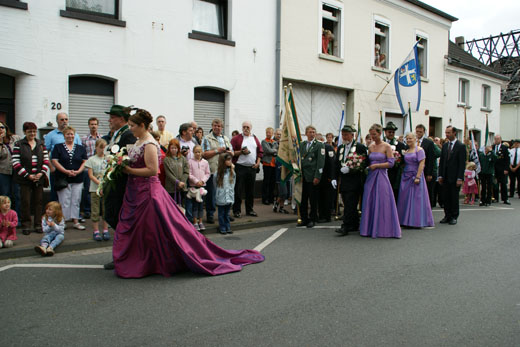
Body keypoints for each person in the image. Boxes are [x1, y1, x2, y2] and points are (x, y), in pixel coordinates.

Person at [110, 109, 264, 278]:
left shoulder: (149, 143)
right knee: (141, 228)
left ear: (142, 126)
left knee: (152, 228)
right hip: (134, 192)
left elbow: (152, 170)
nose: (130, 128)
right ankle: (140, 258)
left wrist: (128, 169)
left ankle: (152, 260)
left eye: (132, 125)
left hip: (147, 192)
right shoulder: (139, 141)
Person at [360, 124, 401, 238]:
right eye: (371, 134)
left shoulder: (386, 146)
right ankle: (368, 227)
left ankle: (383, 228)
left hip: (382, 176)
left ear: (380, 133)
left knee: (382, 200)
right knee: (369, 199)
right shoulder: (370, 147)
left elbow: (391, 163)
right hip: (371, 176)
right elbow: (368, 161)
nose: (373, 137)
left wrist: (377, 165)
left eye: (375, 134)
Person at [103, 104, 137, 231]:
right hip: (114, 183)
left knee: (116, 217)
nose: (109, 120)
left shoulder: (127, 135)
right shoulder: (117, 134)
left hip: (120, 185)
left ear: (121, 119)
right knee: (112, 216)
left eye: (112, 117)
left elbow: (131, 159)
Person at [12, 122, 50, 234]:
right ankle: (26, 225)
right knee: (25, 202)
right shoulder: (19, 144)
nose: (32, 133)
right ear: (24, 132)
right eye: (29, 131)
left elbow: (46, 160)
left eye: (34, 131)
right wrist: (27, 175)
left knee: (38, 202)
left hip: (39, 178)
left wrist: (41, 173)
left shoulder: (41, 144)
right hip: (25, 179)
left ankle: (38, 225)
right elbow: (15, 162)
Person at [332, 125, 367, 235]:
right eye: (343, 134)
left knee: (350, 204)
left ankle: (345, 226)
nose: (344, 137)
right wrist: (334, 178)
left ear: (352, 135)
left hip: (355, 181)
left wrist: (351, 170)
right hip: (344, 181)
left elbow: (364, 163)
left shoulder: (360, 147)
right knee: (348, 203)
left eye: (346, 134)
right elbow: (336, 164)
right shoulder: (341, 148)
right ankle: (355, 224)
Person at [51, 126, 87, 230]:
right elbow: (55, 161)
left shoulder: (80, 148)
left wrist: (79, 171)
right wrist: (66, 171)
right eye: (68, 134)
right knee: (64, 200)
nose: (70, 136)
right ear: (64, 135)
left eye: (72, 134)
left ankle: (76, 221)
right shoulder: (58, 147)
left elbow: (84, 161)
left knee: (76, 199)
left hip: (78, 177)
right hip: (63, 177)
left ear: (74, 135)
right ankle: (63, 221)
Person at [397, 132, 434, 228]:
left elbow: (422, 163)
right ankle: (405, 220)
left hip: (415, 175)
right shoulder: (407, 150)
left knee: (416, 199)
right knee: (405, 198)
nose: (408, 140)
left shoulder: (419, 150)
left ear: (415, 139)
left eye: (410, 138)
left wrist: (418, 176)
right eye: (407, 138)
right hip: (406, 176)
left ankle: (416, 221)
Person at [202, 119, 233, 224]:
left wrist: (229, 152)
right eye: (215, 125)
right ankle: (210, 214)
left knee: (225, 192)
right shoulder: (207, 138)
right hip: (212, 170)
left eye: (219, 126)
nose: (217, 127)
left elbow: (232, 153)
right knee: (211, 194)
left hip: (225, 172)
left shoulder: (226, 138)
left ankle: (226, 214)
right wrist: (217, 151)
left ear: (222, 127)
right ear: (212, 126)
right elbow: (204, 154)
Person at [44, 112, 82, 201]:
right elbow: (45, 153)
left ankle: (69, 215)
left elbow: (79, 152)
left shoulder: (75, 135)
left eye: (66, 119)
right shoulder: (50, 135)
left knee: (71, 197)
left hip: (72, 171)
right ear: (57, 121)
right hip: (57, 170)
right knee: (55, 195)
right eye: (61, 120)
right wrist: (51, 167)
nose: (64, 121)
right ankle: (55, 215)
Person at [231, 121, 263, 218]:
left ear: (251, 128)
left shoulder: (255, 138)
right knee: (238, 190)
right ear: (242, 128)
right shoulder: (236, 138)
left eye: (247, 127)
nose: (246, 128)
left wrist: (258, 163)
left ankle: (250, 210)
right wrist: (241, 152)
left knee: (250, 190)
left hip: (252, 168)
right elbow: (231, 152)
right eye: (244, 127)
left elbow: (260, 152)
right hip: (240, 167)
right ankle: (236, 210)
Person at [438, 126, 466, 225]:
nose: (447, 134)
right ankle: (447, 215)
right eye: (446, 132)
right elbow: (442, 162)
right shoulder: (445, 145)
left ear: (454, 133)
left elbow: (462, 164)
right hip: (445, 176)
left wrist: (460, 178)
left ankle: (454, 216)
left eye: (449, 132)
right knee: (445, 197)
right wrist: (440, 175)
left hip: (454, 177)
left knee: (454, 197)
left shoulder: (461, 146)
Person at [298, 125, 325, 228]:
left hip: (312, 175)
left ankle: (312, 218)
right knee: (303, 199)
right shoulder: (302, 144)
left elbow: (320, 162)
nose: (312, 134)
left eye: (313, 132)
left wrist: (317, 176)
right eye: (310, 132)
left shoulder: (319, 145)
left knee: (313, 199)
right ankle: (304, 218)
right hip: (303, 176)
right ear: (306, 133)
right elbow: (299, 158)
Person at [85, 139, 110, 241]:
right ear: (96, 148)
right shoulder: (91, 159)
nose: (102, 150)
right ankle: (95, 231)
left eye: (104, 147)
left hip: (105, 188)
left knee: (105, 209)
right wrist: (99, 183)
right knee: (95, 209)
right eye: (100, 147)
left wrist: (105, 184)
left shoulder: (108, 159)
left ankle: (105, 229)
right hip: (95, 189)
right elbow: (90, 175)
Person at [80, 117, 101, 220]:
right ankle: (88, 210)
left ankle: (98, 210)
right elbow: (81, 154)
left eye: (95, 124)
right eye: (91, 124)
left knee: (99, 188)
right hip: (88, 168)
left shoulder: (101, 139)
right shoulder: (84, 139)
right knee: (88, 189)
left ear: (97, 125)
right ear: (88, 125)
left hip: (99, 168)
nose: (93, 126)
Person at [187, 145, 210, 231]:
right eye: (196, 152)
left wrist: (203, 181)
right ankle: (195, 221)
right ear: (193, 152)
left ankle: (200, 221)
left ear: (202, 152)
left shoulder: (205, 162)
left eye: (199, 152)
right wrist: (196, 181)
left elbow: (207, 173)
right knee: (194, 205)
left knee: (201, 205)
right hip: (193, 186)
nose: (197, 153)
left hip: (202, 187)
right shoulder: (190, 162)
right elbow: (189, 173)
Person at [383, 121, 407, 200]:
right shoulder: (381, 143)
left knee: (394, 194)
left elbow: (403, 159)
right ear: (385, 132)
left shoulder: (400, 145)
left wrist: (396, 161)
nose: (391, 134)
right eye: (389, 132)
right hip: (382, 172)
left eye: (393, 132)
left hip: (395, 173)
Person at [415, 124, 437, 208]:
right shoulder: (412, 141)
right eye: (417, 131)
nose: (418, 133)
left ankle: (428, 209)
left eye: (420, 132)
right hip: (414, 170)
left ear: (424, 132)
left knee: (427, 191)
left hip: (425, 170)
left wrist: (429, 173)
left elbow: (431, 159)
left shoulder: (429, 143)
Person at [163, 139, 189, 206]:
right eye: (172, 148)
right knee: (171, 206)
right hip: (171, 188)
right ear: (169, 148)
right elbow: (168, 173)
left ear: (178, 148)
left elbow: (186, 171)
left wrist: (182, 182)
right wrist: (177, 182)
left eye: (175, 148)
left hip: (181, 187)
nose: (174, 150)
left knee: (181, 206)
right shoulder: (166, 159)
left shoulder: (183, 159)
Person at [215, 153, 236, 235]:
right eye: (227, 160)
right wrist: (219, 193)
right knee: (221, 214)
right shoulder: (218, 173)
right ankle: (222, 227)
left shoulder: (232, 172)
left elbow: (233, 184)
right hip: (221, 196)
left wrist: (232, 169)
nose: (230, 161)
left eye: (230, 160)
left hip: (229, 196)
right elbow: (215, 184)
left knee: (227, 214)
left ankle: (228, 227)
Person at [317, 133, 335, 223]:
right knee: (320, 198)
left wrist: (331, 177)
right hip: (319, 177)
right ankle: (321, 215)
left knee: (327, 198)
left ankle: (327, 216)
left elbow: (332, 163)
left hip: (326, 177)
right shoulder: (316, 148)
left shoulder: (328, 148)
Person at [261, 127, 278, 205]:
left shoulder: (274, 142)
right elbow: (267, 150)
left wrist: (273, 151)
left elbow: (276, 151)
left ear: (272, 133)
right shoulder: (264, 141)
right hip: (267, 164)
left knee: (272, 182)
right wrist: (274, 151)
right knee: (266, 182)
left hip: (274, 164)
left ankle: (271, 198)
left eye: (270, 132)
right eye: (267, 132)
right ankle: (265, 199)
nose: (268, 134)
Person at [492, 135, 510, 205]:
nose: (496, 140)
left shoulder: (504, 148)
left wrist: (506, 169)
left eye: (497, 139)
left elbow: (507, 159)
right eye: (495, 139)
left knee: (503, 184)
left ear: (500, 140)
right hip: (494, 169)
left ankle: (505, 199)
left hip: (502, 169)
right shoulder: (493, 147)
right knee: (495, 184)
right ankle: (495, 198)